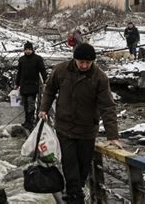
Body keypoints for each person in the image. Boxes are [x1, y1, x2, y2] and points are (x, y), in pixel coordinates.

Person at [38, 43, 122, 204]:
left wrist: (113, 135)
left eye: (88, 63)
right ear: (75, 59)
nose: (84, 65)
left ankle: (74, 193)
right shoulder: (61, 70)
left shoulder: (99, 77)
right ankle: (76, 198)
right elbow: (49, 90)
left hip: (87, 130)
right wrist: (44, 108)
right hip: (64, 127)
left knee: (83, 168)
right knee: (70, 165)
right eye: (81, 62)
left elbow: (108, 107)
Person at [15, 41, 47, 130]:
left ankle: (31, 121)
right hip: (23, 85)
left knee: (31, 104)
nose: (28, 51)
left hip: (33, 85)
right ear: (24, 50)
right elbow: (19, 72)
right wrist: (17, 84)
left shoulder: (37, 59)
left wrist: (45, 81)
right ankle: (26, 121)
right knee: (25, 104)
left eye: (29, 49)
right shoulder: (21, 60)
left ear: (32, 50)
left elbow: (43, 71)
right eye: (26, 49)